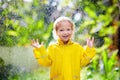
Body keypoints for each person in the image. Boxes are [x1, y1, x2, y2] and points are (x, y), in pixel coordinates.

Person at [31, 16, 96, 80]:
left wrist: (89, 49)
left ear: (72, 31)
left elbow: (83, 62)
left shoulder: (77, 47)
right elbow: (46, 63)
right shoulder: (52, 48)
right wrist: (41, 50)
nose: (65, 32)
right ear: (56, 32)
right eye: (61, 30)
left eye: (68, 29)